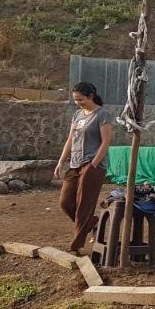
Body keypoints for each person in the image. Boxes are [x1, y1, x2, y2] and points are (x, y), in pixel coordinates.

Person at [56, 82, 114, 254]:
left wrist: (93, 165)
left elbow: (106, 142)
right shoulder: (77, 115)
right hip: (75, 164)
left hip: (92, 165)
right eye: (75, 100)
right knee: (65, 202)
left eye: (80, 99)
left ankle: (76, 246)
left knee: (84, 205)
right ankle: (92, 224)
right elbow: (70, 140)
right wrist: (61, 162)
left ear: (90, 96)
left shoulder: (102, 114)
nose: (77, 103)